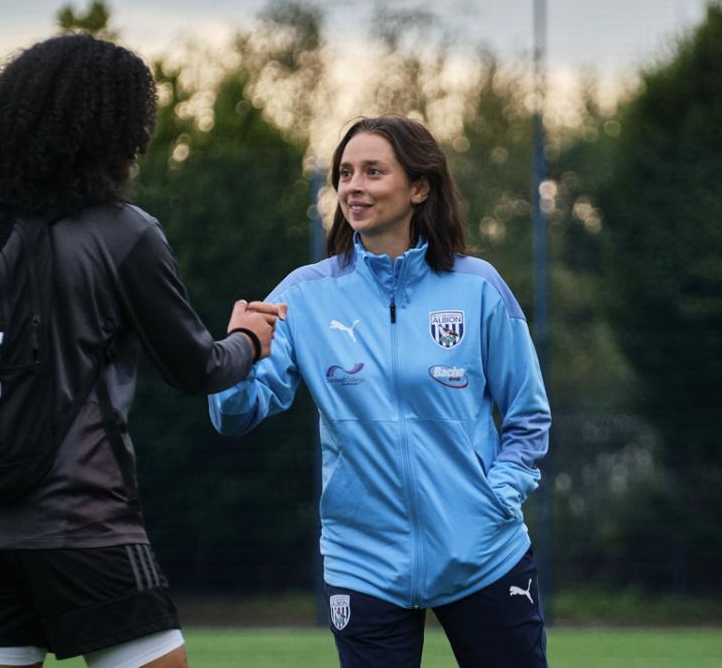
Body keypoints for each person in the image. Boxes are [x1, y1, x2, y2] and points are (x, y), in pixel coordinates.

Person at [0, 33, 282, 668]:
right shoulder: (124, 232)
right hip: (82, 521)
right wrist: (248, 340)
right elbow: (196, 368)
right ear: (111, 130)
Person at [209, 115, 551, 667]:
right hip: (362, 564)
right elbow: (237, 414)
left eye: (373, 171)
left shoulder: (479, 287)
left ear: (419, 187)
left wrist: (494, 499)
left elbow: (527, 416)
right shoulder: (304, 296)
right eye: (345, 173)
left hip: (484, 553)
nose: (354, 186)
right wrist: (237, 354)